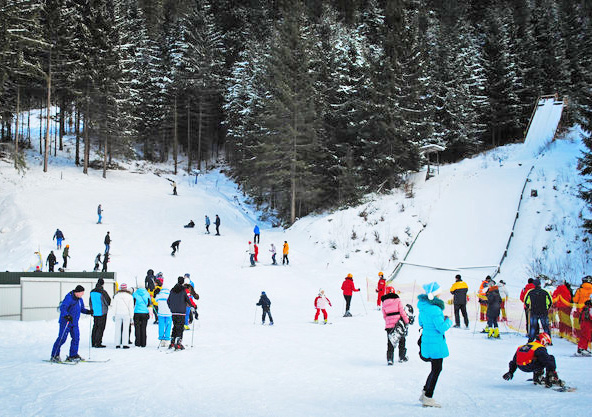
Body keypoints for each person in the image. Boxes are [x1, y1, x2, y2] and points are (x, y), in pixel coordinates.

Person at [417, 282, 452, 408]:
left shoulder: (424, 307)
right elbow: (441, 328)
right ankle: (428, 397)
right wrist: (448, 321)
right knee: (437, 369)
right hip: (436, 343)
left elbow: (421, 322)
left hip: (427, 341)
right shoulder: (435, 309)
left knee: (435, 369)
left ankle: (425, 393)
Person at [50, 285, 92, 362]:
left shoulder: (80, 299)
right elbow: (63, 307)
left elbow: (81, 309)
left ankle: (73, 355)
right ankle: (54, 355)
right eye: (82, 293)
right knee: (62, 338)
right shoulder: (69, 297)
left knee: (76, 338)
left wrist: (88, 311)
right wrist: (66, 315)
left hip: (74, 322)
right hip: (66, 322)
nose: (82, 294)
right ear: (77, 292)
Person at [382, 286, 410, 365]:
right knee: (402, 340)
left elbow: (384, 315)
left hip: (389, 325)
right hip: (398, 323)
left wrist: (388, 321)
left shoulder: (384, 302)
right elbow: (402, 312)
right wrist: (406, 321)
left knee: (390, 341)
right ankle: (402, 357)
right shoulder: (397, 300)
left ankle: (390, 359)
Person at [167, 276, 195, 350]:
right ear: (183, 282)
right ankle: (178, 343)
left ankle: (172, 341)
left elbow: (168, 301)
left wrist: (171, 308)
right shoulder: (184, 291)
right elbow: (188, 300)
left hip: (174, 312)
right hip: (181, 312)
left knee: (175, 326)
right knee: (180, 327)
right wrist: (193, 306)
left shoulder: (172, 290)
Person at [90, 278, 111, 348]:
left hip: (95, 312)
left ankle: (93, 342)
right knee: (101, 327)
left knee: (95, 326)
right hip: (102, 312)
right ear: (103, 284)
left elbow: (90, 302)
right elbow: (108, 301)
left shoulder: (92, 292)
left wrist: (91, 310)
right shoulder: (102, 292)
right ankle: (98, 342)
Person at [112, 283, 134, 349]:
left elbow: (114, 306)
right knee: (126, 329)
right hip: (126, 314)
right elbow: (131, 307)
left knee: (117, 329)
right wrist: (131, 317)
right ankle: (125, 344)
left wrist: (113, 315)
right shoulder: (130, 296)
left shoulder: (116, 296)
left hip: (118, 314)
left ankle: (117, 344)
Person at [133, 281, 152, 347]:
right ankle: (143, 343)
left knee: (137, 328)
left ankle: (137, 342)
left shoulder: (135, 293)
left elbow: (133, 303)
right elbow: (149, 303)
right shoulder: (147, 293)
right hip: (145, 312)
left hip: (137, 312)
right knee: (144, 328)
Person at [154, 279, 172, 347]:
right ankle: (167, 340)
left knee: (161, 326)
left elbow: (155, 301)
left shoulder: (159, 294)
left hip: (161, 313)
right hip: (168, 313)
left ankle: (161, 339)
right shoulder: (170, 294)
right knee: (168, 326)